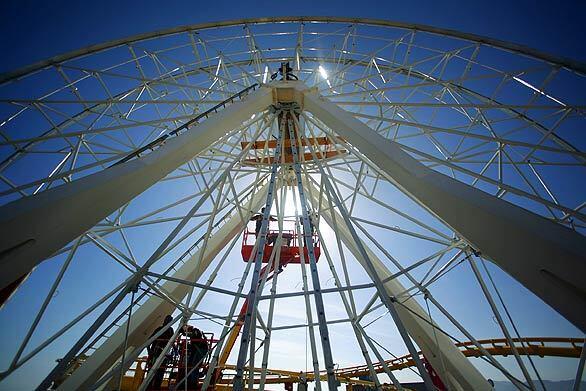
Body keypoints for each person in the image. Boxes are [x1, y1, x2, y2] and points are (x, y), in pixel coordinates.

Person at [147, 315, 174, 390]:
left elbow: (172, 342)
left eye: (170, 320)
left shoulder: (170, 330)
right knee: (150, 374)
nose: (168, 322)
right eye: (168, 320)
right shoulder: (159, 329)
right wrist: (150, 352)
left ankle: (155, 388)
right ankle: (147, 388)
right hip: (155, 354)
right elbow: (148, 342)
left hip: (164, 356)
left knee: (160, 374)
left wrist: (172, 354)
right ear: (165, 320)